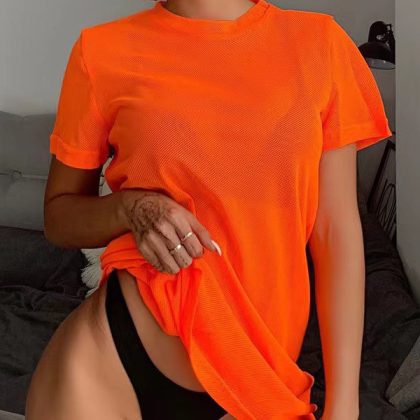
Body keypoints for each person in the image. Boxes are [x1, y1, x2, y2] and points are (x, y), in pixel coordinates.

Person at [25, 0, 393, 419]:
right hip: (110, 368)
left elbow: (335, 231)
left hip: (258, 376)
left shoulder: (320, 44)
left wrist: (344, 404)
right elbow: (59, 216)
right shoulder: (101, 51)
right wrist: (131, 207)